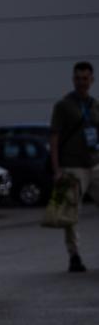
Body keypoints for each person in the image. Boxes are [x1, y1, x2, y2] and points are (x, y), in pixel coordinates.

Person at [50, 61, 99, 271]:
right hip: (72, 167)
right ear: (73, 79)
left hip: (95, 165)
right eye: (78, 78)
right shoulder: (63, 105)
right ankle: (74, 256)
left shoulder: (95, 105)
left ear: (92, 80)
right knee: (70, 215)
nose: (82, 82)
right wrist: (57, 169)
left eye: (85, 78)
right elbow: (54, 138)